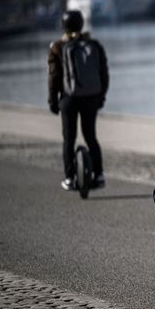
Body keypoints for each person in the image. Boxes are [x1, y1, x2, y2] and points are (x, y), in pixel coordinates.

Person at [48, 10, 109, 190]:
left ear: (63, 26)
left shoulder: (57, 47)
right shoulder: (94, 45)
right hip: (91, 98)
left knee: (69, 139)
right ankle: (99, 176)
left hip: (69, 99)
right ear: (82, 24)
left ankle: (69, 178)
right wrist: (101, 97)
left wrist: (53, 101)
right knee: (91, 136)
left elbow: (54, 76)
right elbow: (103, 74)